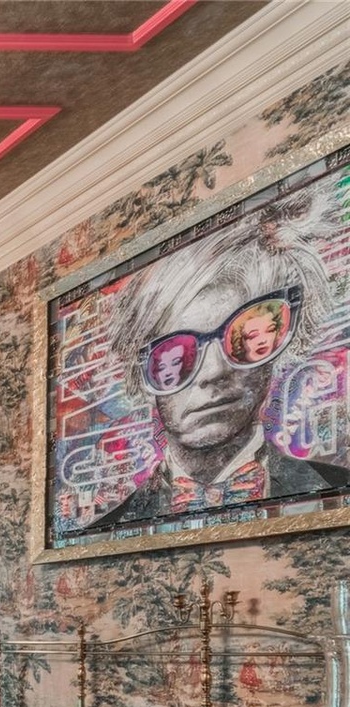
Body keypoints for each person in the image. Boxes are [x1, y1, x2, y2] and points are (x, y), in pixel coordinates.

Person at [85, 189, 350, 530]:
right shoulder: (109, 528)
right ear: (144, 374)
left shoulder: (334, 487)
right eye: (177, 355)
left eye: (246, 337)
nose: (213, 371)